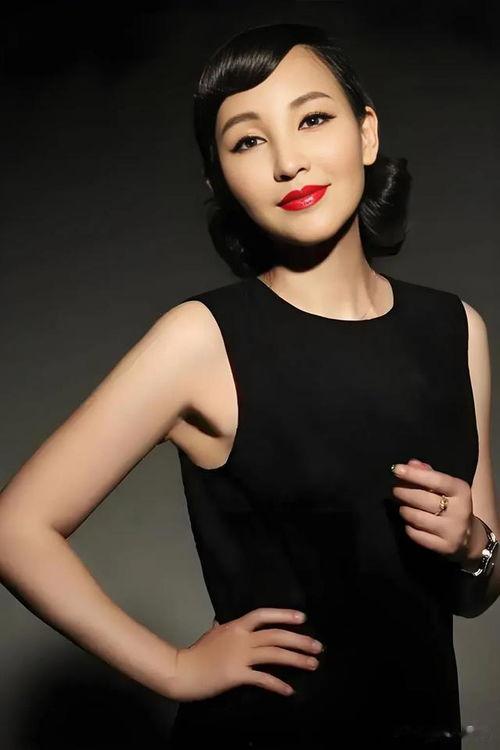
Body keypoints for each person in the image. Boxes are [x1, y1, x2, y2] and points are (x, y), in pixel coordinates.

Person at [0, 21, 498, 750]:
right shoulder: (201, 340)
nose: (288, 161)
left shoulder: (457, 328)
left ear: (366, 133)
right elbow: (16, 530)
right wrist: (174, 668)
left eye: (313, 119)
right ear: (220, 181)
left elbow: (476, 592)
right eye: (248, 141)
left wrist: (473, 544)